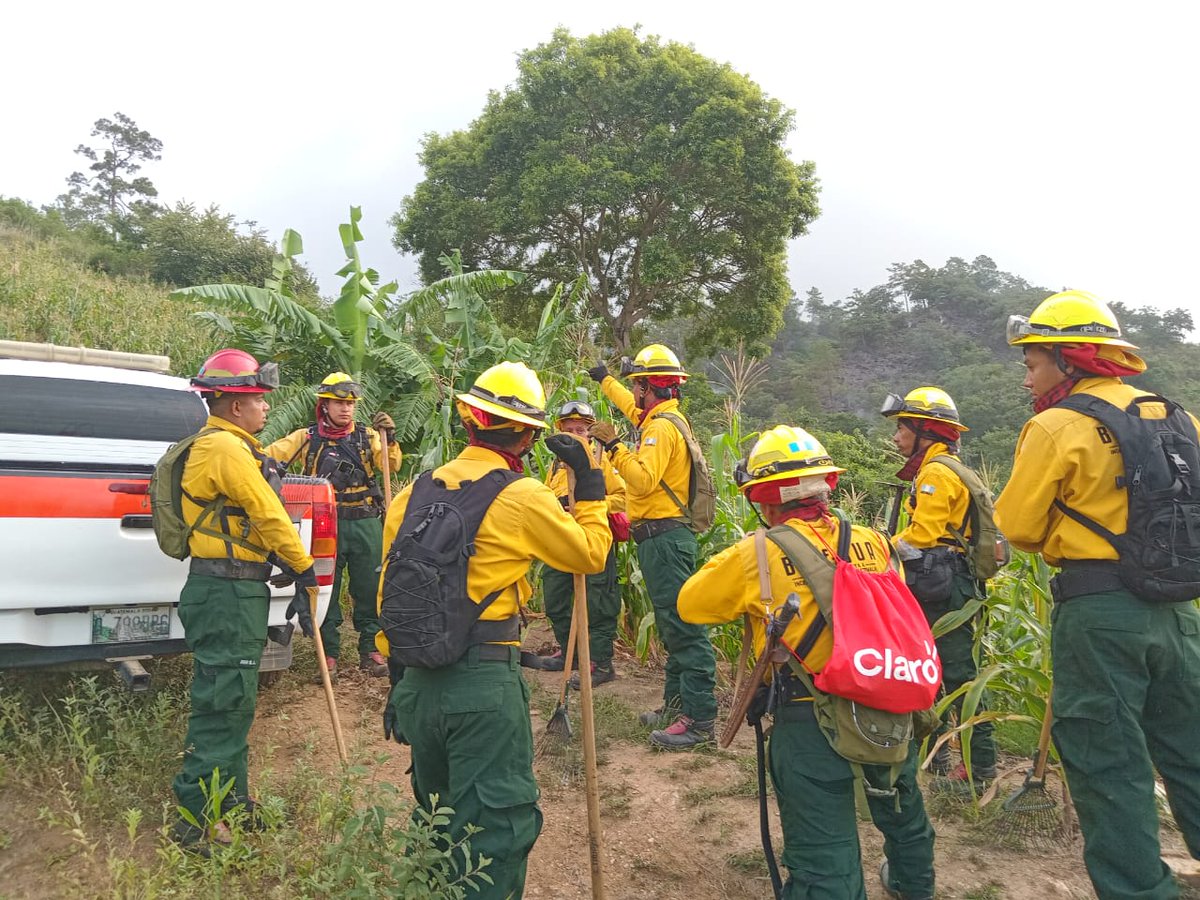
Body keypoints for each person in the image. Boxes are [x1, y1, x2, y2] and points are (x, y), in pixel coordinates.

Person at [378, 361, 612, 900]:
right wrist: (592, 487)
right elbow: (590, 556)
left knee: (436, 821)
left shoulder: (410, 493)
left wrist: (398, 684)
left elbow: (390, 596)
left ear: (468, 420)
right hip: (482, 687)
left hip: (415, 685)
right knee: (493, 837)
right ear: (528, 436)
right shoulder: (523, 495)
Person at [995, 290, 1200, 899]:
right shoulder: (1180, 416)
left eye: (1032, 364)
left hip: (1100, 612)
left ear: (1067, 359)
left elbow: (1021, 529)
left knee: (1109, 763)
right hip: (1181, 613)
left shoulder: (1057, 425)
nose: (1028, 379)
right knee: (1192, 750)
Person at [678, 425, 936, 899]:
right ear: (825, 485)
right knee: (902, 803)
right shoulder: (874, 540)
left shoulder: (759, 552)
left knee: (824, 850)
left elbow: (691, 603)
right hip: (887, 696)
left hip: (812, 716)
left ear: (764, 497)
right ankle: (912, 883)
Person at [171, 349, 318, 848]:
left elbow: (263, 483)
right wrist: (303, 568)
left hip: (235, 590)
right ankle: (196, 820)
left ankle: (231, 803)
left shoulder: (232, 445)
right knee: (222, 705)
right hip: (226, 592)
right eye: (260, 401)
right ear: (236, 406)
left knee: (235, 702)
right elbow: (267, 511)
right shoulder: (224, 450)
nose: (266, 409)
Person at [587, 344, 718, 749]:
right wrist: (605, 380)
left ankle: (699, 720)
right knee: (672, 622)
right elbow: (631, 408)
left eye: (637, 385)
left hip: (664, 539)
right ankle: (677, 705)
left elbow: (642, 480)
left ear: (648, 387)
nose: (634, 393)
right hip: (662, 538)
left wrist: (614, 447)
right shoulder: (664, 417)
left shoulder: (660, 429)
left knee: (683, 627)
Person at [881, 387, 997, 789]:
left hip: (944, 583)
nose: (896, 438)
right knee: (937, 668)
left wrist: (882, 548)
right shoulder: (949, 468)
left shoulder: (935, 473)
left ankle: (977, 768)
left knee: (959, 673)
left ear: (923, 431)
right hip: (951, 580)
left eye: (901, 429)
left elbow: (923, 535)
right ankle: (940, 753)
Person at [265, 372, 401, 679]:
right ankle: (328, 654)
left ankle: (371, 649)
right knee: (325, 588)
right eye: (339, 403)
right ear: (324, 405)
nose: (346, 409)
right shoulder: (306, 439)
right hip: (326, 524)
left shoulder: (369, 437)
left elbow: (389, 466)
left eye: (350, 404)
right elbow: (268, 458)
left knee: (369, 588)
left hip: (365, 521)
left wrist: (389, 440)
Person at [526, 399, 628, 687]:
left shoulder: (600, 460)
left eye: (580, 430)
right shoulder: (557, 466)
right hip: (561, 538)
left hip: (593, 535)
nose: (574, 435)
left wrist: (588, 503)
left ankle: (600, 662)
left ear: (589, 432)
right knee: (556, 596)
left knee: (598, 600)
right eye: (569, 429)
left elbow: (623, 498)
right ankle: (568, 653)